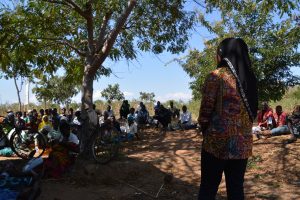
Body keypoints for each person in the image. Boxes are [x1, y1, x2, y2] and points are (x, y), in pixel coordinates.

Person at [198, 38, 258, 200]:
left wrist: (205, 130)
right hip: (242, 146)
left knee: (208, 188)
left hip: (216, 145)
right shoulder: (251, 80)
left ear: (222, 55)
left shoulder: (215, 76)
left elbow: (205, 112)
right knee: (236, 188)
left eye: (217, 53)